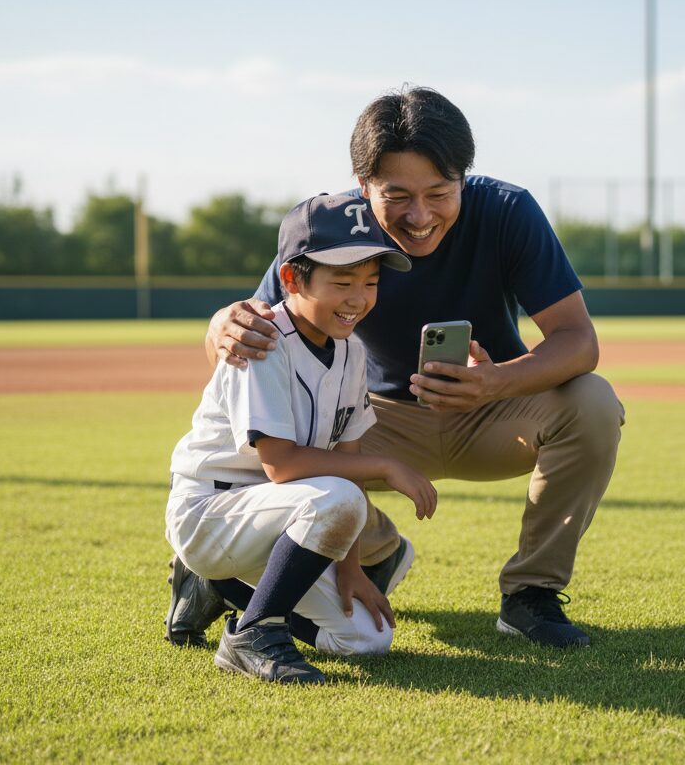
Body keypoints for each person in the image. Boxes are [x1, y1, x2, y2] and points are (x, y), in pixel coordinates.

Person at [204, 86, 624, 648]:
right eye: (396, 195)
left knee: (594, 402)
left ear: (464, 180)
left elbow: (578, 342)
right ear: (363, 186)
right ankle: (271, 564)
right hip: (371, 425)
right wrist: (221, 326)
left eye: (439, 193)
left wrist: (495, 381)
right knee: (272, 437)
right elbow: (251, 332)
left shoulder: (507, 210)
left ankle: (531, 594)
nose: (420, 215)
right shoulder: (335, 227)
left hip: (493, 412)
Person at [164, 193, 435, 684]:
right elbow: (282, 465)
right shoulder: (262, 339)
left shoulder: (351, 351)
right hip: (211, 512)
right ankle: (253, 633)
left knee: (368, 638)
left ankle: (218, 588)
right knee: (339, 494)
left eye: (371, 282)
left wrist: (350, 568)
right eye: (343, 282)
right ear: (290, 278)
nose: (358, 298)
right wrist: (388, 466)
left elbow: (345, 455)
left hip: (278, 517)